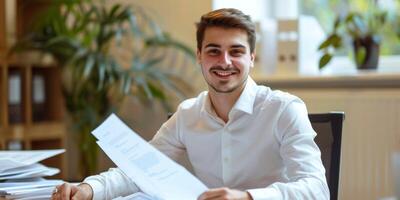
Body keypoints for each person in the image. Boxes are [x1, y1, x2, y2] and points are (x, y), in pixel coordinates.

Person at [51, 8, 329, 200]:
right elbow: (140, 169)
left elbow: (317, 189)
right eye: (213, 51)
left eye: (236, 51)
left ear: (252, 58)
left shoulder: (284, 110)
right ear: (199, 55)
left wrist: (247, 197)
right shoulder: (187, 115)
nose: (224, 62)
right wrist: (89, 188)